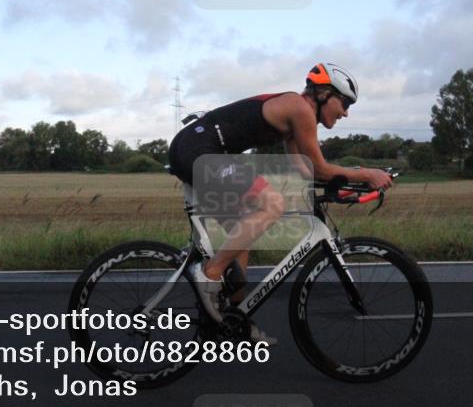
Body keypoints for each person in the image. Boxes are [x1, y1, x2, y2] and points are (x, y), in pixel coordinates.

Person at [167, 63, 394, 337]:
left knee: (242, 232)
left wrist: (342, 185)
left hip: (199, 149)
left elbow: (304, 169)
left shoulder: (295, 115)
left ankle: (230, 317)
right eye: (344, 102)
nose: (346, 112)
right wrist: (366, 174)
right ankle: (210, 274)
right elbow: (319, 168)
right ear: (323, 93)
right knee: (272, 204)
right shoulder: (299, 109)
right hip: (198, 149)